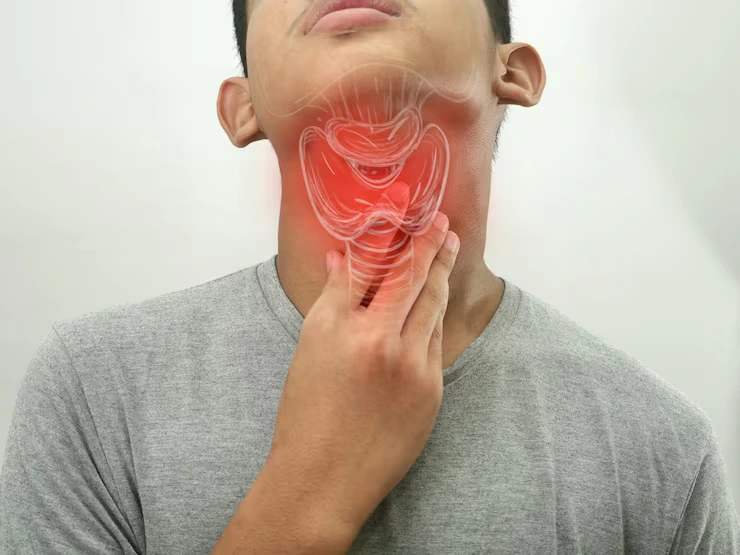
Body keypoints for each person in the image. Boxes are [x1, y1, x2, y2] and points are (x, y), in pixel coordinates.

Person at [1, 0, 739, 552]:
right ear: (242, 107)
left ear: (513, 71)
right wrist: (313, 491)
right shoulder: (91, 394)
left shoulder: (662, 449)